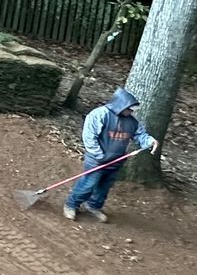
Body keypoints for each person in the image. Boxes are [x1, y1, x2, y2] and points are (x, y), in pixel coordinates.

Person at [67, 86, 159, 223]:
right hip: (97, 160)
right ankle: (71, 205)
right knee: (88, 184)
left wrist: (150, 141)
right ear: (121, 106)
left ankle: (93, 206)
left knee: (104, 187)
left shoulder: (131, 122)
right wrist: (100, 156)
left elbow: (140, 135)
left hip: (115, 161)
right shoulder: (99, 115)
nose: (132, 112)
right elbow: (89, 137)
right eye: (130, 109)